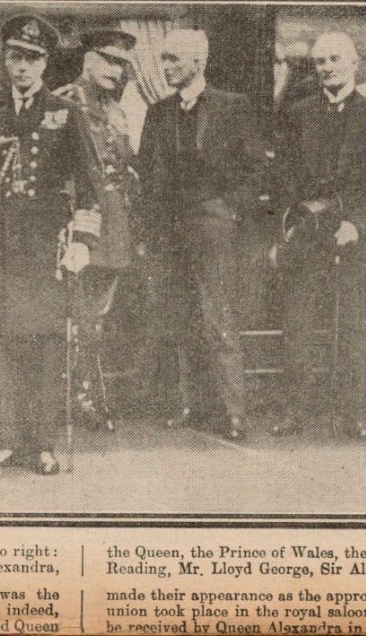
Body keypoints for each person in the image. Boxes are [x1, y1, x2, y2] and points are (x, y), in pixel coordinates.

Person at [0, 14, 100, 476]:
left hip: (46, 245)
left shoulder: (65, 112)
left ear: (45, 63)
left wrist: (81, 240)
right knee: (5, 342)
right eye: (15, 57)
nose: (22, 67)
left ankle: (41, 444)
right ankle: (10, 440)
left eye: (32, 58)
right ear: (4, 61)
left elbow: (89, 183)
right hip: (3, 243)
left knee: (43, 343)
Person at [270, 29, 366, 440]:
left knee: (357, 325)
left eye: (335, 60)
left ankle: (355, 412)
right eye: (320, 61)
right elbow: (284, 175)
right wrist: (296, 215)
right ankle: (297, 408)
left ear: (354, 64)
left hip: (354, 235)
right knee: (299, 324)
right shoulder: (298, 113)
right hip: (308, 233)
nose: (327, 68)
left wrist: (356, 223)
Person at [139, 27, 259, 442]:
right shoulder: (158, 112)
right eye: (164, 58)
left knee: (217, 316)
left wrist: (228, 212)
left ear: (198, 63)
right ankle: (193, 406)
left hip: (213, 228)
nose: (166, 66)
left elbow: (252, 169)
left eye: (174, 59)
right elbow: (148, 175)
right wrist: (152, 230)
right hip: (170, 231)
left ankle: (234, 413)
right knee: (181, 316)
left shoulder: (232, 107)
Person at [58, 27, 141, 432]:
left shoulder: (118, 110)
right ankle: (74, 397)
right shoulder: (62, 102)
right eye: (109, 60)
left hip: (115, 225)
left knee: (95, 318)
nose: (118, 70)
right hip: (77, 222)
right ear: (87, 59)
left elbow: (125, 168)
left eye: (124, 64)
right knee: (72, 315)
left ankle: (85, 394)